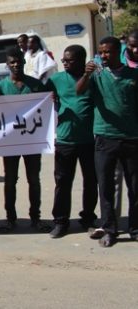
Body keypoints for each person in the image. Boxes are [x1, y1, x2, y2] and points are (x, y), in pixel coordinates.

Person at [77, 36, 138, 247]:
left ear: (118, 52)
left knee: (134, 187)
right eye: (101, 52)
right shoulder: (97, 75)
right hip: (105, 137)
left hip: (131, 138)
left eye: (108, 52)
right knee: (105, 187)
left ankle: (135, 228)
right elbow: (79, 90)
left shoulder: (133, 75)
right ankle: (110, 229)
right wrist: (86, 74)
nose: (104, 55)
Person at [0, 49, 50, 232]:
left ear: (24, 62)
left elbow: (46, 107)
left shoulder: (36, 85)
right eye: (12, 62)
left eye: (18, 61)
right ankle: (10, 219)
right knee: (10, 181)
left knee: (34, 180)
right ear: (7, 65)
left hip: (32, 140)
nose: (15, 65)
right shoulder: (0, 87)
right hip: (11, 142)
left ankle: (36, 217)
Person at [46, 45, 97, 238]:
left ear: (82, 60)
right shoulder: (56, 80)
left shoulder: (94, 78)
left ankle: (88, 219)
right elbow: (36, 98)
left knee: (91, 181)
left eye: (69, 60)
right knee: (63, 182)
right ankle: (60, 222)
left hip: (89, 140)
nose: (65, 63)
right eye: (63, 60)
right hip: (65, 140)